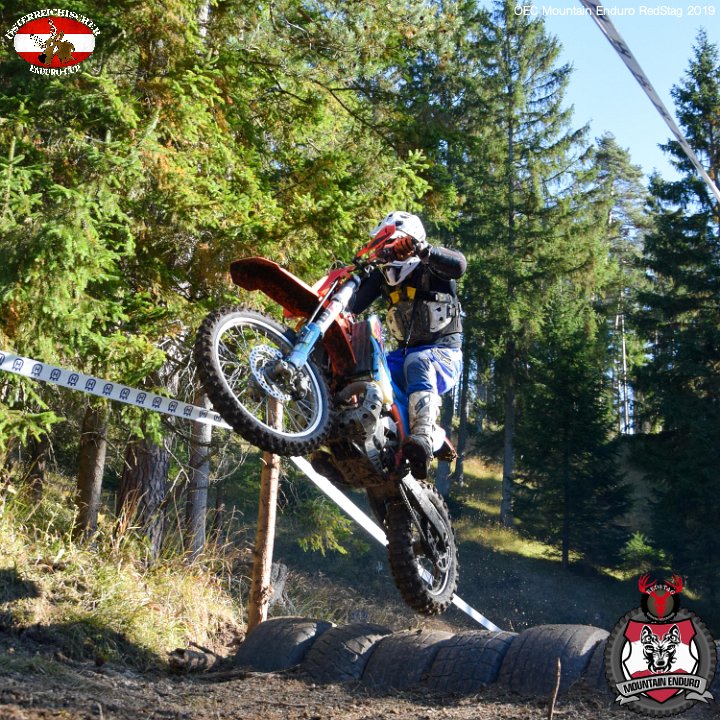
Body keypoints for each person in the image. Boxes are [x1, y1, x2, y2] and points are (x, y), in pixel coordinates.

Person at [348, 211, 466, 479]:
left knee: (418, 361)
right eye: (383, 245)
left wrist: (423, 251)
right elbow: (353, 305)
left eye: (391, 242)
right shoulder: (383, 277)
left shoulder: (433, 267)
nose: (388, 250)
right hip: (402, 357)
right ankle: (362, 439)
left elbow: (459, 265)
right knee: (368, 371)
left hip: (443, 355)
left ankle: (423, 433)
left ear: (409, 238)